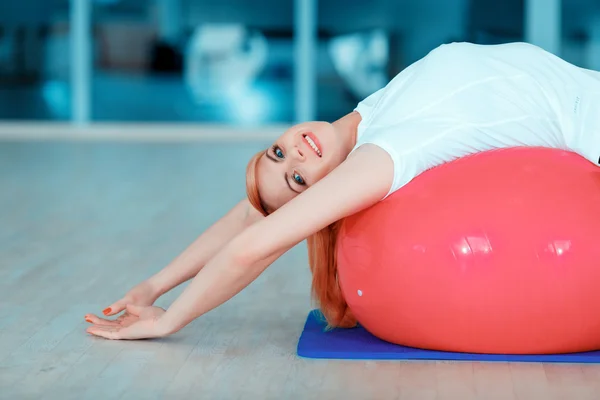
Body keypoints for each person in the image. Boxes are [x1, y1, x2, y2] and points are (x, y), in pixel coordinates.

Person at [84, 42, 600, 339]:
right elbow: (253, 245)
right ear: (320, 195)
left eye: (277, 153)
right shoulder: (383, 157)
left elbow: (247, 217)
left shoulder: (372, 112)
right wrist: (169, 320)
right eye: (299, 181)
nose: (296, 152)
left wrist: (153, 286)